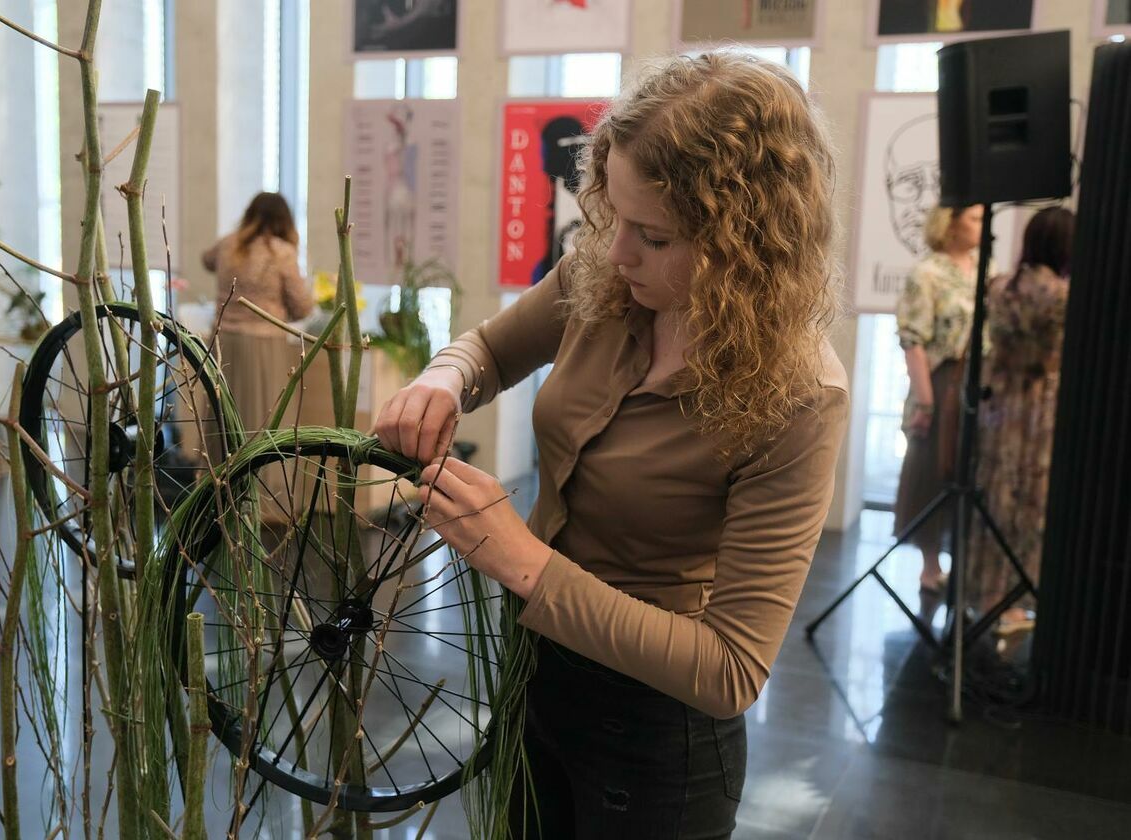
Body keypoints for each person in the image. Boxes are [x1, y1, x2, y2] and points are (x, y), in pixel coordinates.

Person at [375, 52, 849, 839]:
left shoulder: (800, 396)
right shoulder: (606, 276)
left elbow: (731, 669)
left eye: (654, 235)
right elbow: (488, 351)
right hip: (537, 677)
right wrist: (442, 380)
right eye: (614, 216)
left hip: (657, 737)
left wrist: (521, 561)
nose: (618, 250)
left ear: (744, 242)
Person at [966, 206, 1074, 641]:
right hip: (1040, 407)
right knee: (1031, 502)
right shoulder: (1061, 296)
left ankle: (985, 595)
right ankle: (1017, 602)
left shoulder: (999, 288)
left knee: (994, 496)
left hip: (999, 404)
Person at [202, 192, 312, 519]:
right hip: (265, 347)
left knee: (224, 417)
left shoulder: (227, 245)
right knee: (265, 421)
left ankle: (218, 496)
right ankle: (264, 504)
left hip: (225, 343)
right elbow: (303, 305)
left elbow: (205, 260)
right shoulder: (281, 253)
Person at [894, 204, 984, 596]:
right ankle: (930, 566)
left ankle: (965, 565)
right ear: (951, 223)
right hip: (941, 381)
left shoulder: (986, 269)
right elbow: (913, 341)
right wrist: (926, 402)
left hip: (978, 386)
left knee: (972, 471)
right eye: (975, 218)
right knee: (931, 473)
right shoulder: (926, 273)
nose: (982, 226)